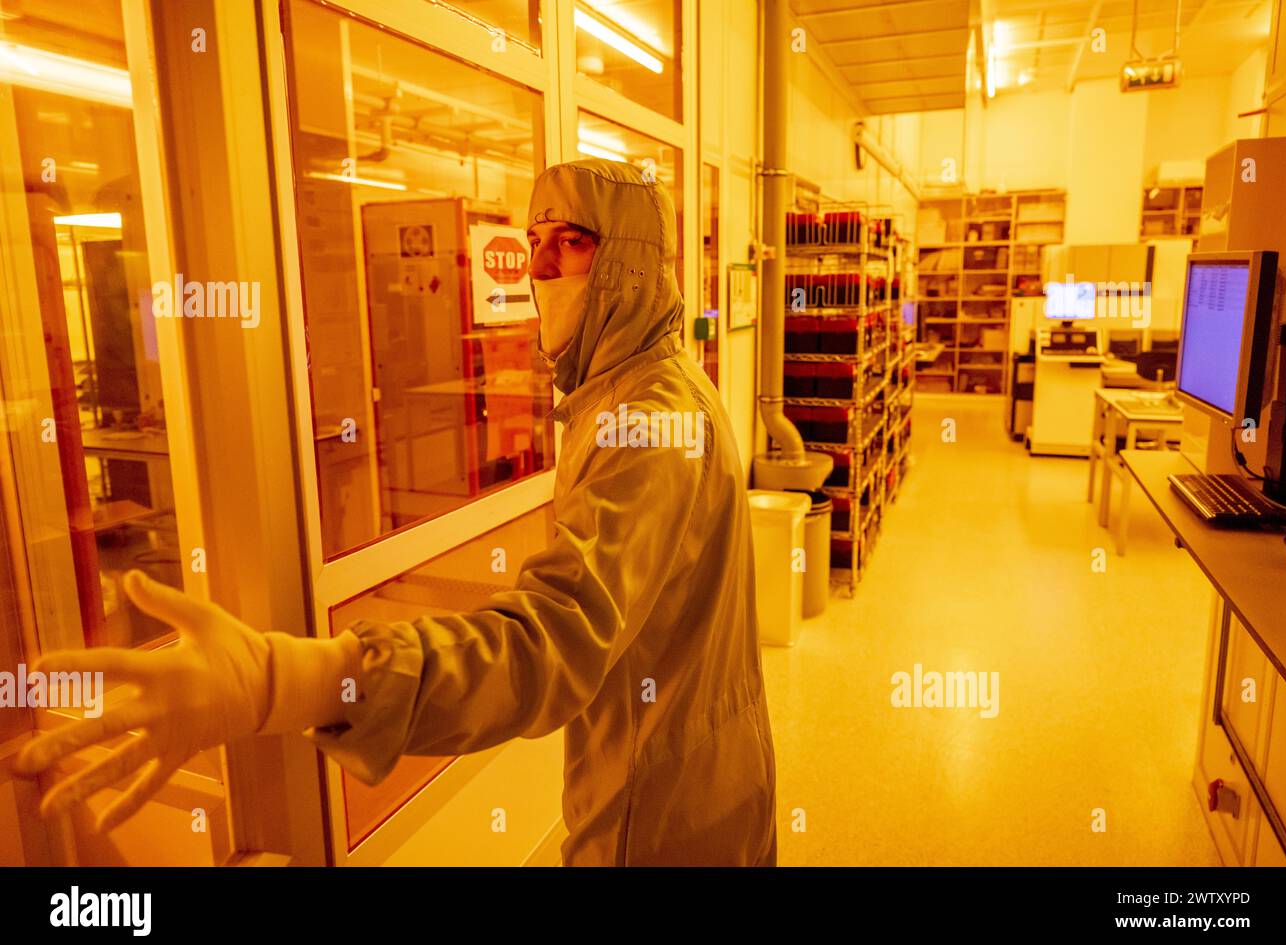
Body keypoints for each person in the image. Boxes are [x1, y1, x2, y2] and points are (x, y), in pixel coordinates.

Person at [16, 158, 778, 866]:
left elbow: (552, 642)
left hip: (667, 809)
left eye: (570, 244)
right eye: (535, 241)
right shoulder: (631, 388)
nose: (540, 267)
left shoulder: (647, 420)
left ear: (629, 265)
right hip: (680, 760)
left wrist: (293, 682)